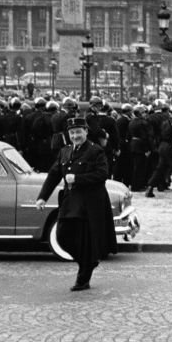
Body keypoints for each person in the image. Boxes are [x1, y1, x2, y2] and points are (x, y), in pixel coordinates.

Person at [35, 116, 117, 291]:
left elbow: (102, 174)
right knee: (62, 235)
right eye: (72, 133)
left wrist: (78, 178)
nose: (75, 136)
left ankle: (83, 277)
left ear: (86, 132)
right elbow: (54, 174)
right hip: (70, 201)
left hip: (90, 202)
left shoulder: (96, 151)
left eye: (78, 132)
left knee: (86, 240)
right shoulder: (65, 151)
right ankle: (87, 262)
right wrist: (42, 197)